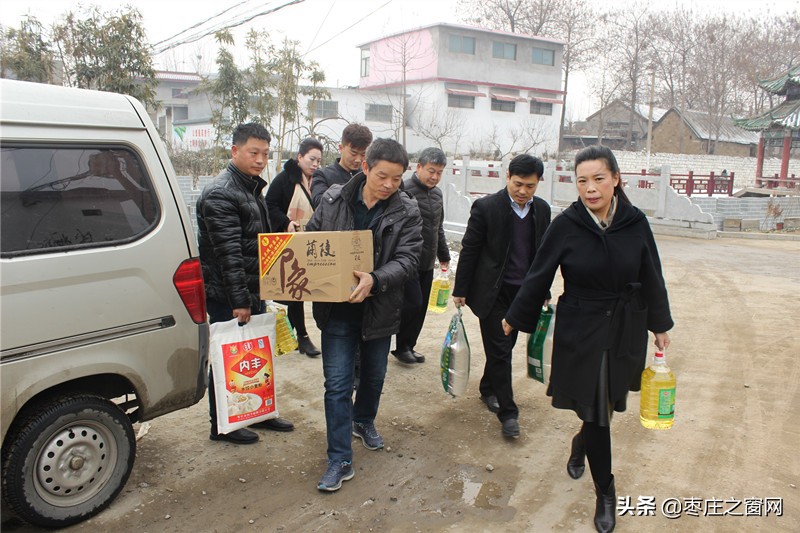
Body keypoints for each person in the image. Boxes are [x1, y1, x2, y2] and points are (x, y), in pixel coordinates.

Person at [502, 145, 673, 533]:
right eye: (582, 181)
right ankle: (606, 492)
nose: (591, 188)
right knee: (597, 409)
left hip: (626, 325)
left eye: (598, 179)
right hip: (582, 327)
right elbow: (539, 274)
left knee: (605, 405)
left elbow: (652, 274)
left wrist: (660, 324)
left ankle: (581, 444)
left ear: (615, 179)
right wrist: (515, 318)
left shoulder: (635, 222)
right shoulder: (566, 224)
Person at [306, 138, 423, 492]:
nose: (389, 185)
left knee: (373, 376)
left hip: (380, 307)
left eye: (397, 178)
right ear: (366, 167)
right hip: (337, 309)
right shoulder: (333, 199)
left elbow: (409, 259)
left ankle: (364, 420)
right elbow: (312, 241)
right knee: (338, 385)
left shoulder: (407, 210)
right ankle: (339, 459)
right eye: (383, 176)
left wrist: (375, 279)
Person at [197, 122, 295, 445]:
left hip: (251, 289)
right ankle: (222, 425)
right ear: (235, 151)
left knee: (255, 355)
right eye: (254, 153)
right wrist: (240, 301)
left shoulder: (251, 189)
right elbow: (229, 254)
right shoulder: (223, 193)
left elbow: (257, 244)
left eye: (265, 154)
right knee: (230, 358)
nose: (260, 160)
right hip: (228, 294)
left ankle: (258, 411)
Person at [452, 154, 551, 438]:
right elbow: (470, 249)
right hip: (492, 292)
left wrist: (542, 290)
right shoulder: (486, 207)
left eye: (530, 186)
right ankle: (508, 413)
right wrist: (461, 289)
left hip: (523, 294)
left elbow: (542, 254)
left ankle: (487, 389)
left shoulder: (541, 210)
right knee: (501, 351)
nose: (523, 191)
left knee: (505, 346)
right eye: (518, 184)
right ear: (507, 176)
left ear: (537, 183)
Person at [265, 137, 325, 357]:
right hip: (289, 242)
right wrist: (285, 222)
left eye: (319, 160)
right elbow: (269, 204)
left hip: (312, 241)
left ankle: (314, 332)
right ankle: (302, 336)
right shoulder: (284, 179)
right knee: (295, 291)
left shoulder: (318, 180)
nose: (315, 164)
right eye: (311, 159)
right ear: (299, 157)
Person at [392, 147, 451, 365]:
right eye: (431, 171)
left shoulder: (437, 194)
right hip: (407, 261)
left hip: (428, 261)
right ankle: (399, 345)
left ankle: (408, 345)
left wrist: (443, 254)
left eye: (439, 172)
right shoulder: (403, 190)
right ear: (419, 167)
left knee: (422, 306)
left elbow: (438, 227)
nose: (434, 177)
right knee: (412, 303)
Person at [310, 123, 373, 207]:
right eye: (353, 153)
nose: (358, 160)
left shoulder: (366, 176)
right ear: (341, 148)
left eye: (363, 154)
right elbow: (320, 203)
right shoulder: (323, 175)